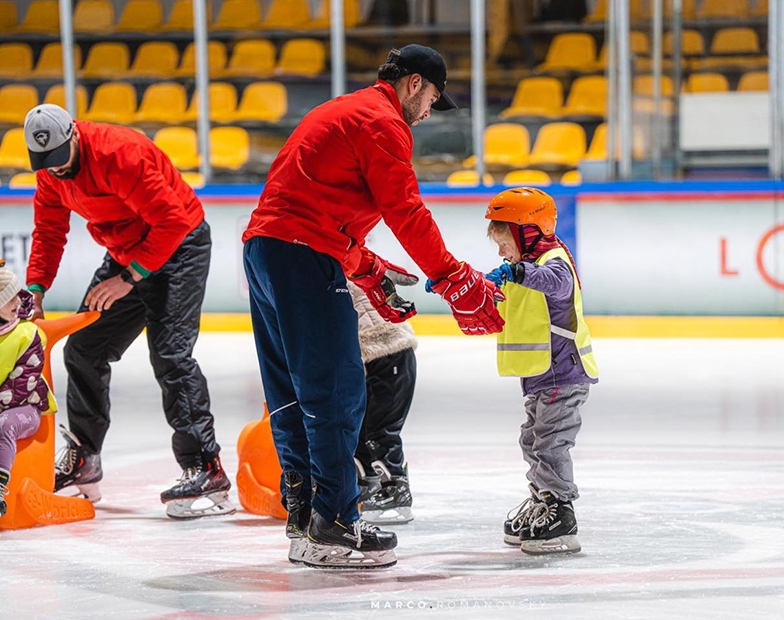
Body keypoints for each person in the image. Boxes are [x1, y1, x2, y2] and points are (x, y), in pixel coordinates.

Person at [242, 44, 503, 569]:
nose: (430, 111)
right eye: (432, 97)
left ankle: (306, 522)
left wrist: (368, 268)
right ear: (413, 84)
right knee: (337, 390)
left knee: (292, 393)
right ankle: (337, 527)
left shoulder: (342, 111)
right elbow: (405, 210)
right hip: (303, 256)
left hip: (265, 251)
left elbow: (307, 207)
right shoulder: (383, 122)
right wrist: (454, 279)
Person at [22, 103, 233, 519]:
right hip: (127, 255)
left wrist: (129, 279)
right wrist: (35, 289)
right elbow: (49, 231)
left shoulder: (120, 154)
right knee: (84, 348)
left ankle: (205, 466)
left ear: (75, 136)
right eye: (44, 164)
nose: (55, 171)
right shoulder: (51, 173)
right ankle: (85, 457)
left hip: (179, 247)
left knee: (171, 354)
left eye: (59, 160)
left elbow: (172, 223)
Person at [483, 187, 599, 555]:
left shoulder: (553, 260)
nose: (501, 252)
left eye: (505, 243)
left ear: (527, 232)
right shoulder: (523, 268)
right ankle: (542, 498)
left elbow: (555, 283)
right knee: (533, 440)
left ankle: (560, 511)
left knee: (551, 442)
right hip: (541, 375)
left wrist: (516, 271)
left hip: (563, 373)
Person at [0, 252, 55, 529]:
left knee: (3, 425)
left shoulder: (27, 334)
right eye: (8, 298)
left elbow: (21, 383)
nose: (18, 302)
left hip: (24, 408)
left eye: (18, 294)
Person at [349, 277, 418, 525]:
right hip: (368, 357)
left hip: (391, 353)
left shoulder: (342, 265)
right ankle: (366, 485)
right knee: (360, 430)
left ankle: (395, 490)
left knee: (379, 430)